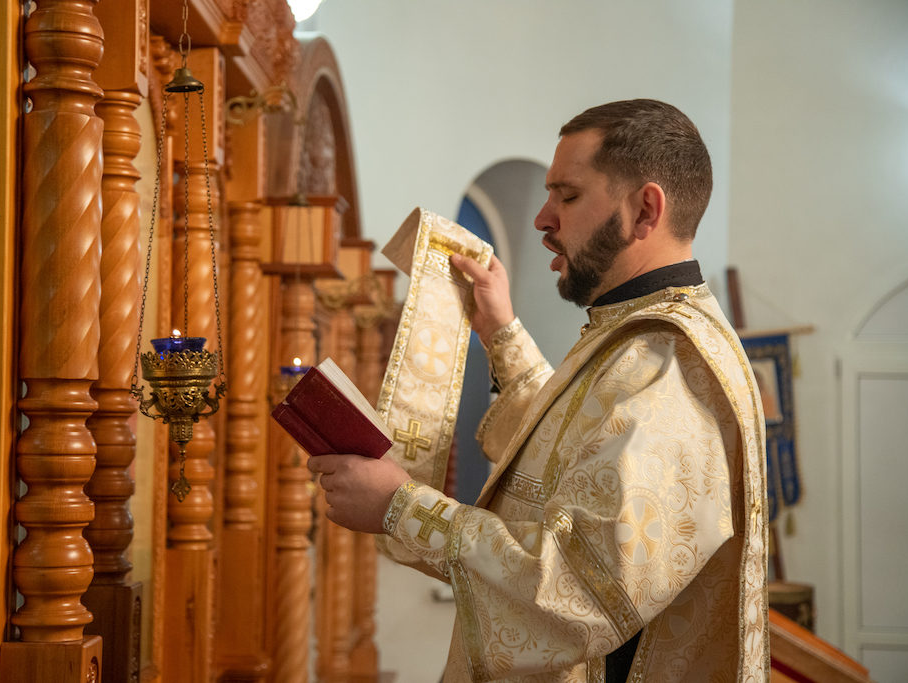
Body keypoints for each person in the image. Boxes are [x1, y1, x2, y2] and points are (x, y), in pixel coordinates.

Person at [308, 99, 768, 682]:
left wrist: (401, 507)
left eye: (567, 196)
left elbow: (579, 593)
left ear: (645, 210)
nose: (542, 219)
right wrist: (501, 333)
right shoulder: (634, 334)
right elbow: (562, 459)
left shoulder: (670, 364)